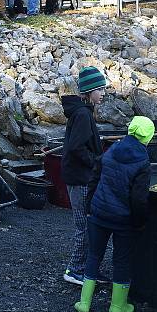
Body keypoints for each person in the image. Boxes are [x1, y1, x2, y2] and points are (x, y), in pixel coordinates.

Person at [74, 116, 154, 312]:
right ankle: (117, 306)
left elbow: (94, 179)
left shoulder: (110, 151)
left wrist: (90, 207)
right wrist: (140, 222)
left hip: (99, 213)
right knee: (122, 260)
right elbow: (139, 199)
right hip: (123, 220)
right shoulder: (143, 162)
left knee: (94, 255)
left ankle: (84, 302)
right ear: (148, 138)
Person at [61, 66, 107, 285]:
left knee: (90, 224)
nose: (103, 94)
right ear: (89, 92)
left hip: (82, 176)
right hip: (80, 179)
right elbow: (76, 147)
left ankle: (88, 269)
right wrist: (96, 162)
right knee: (84, 227)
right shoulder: (81, 114)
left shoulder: (84, 112)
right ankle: (74, 270)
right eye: (100, 89)